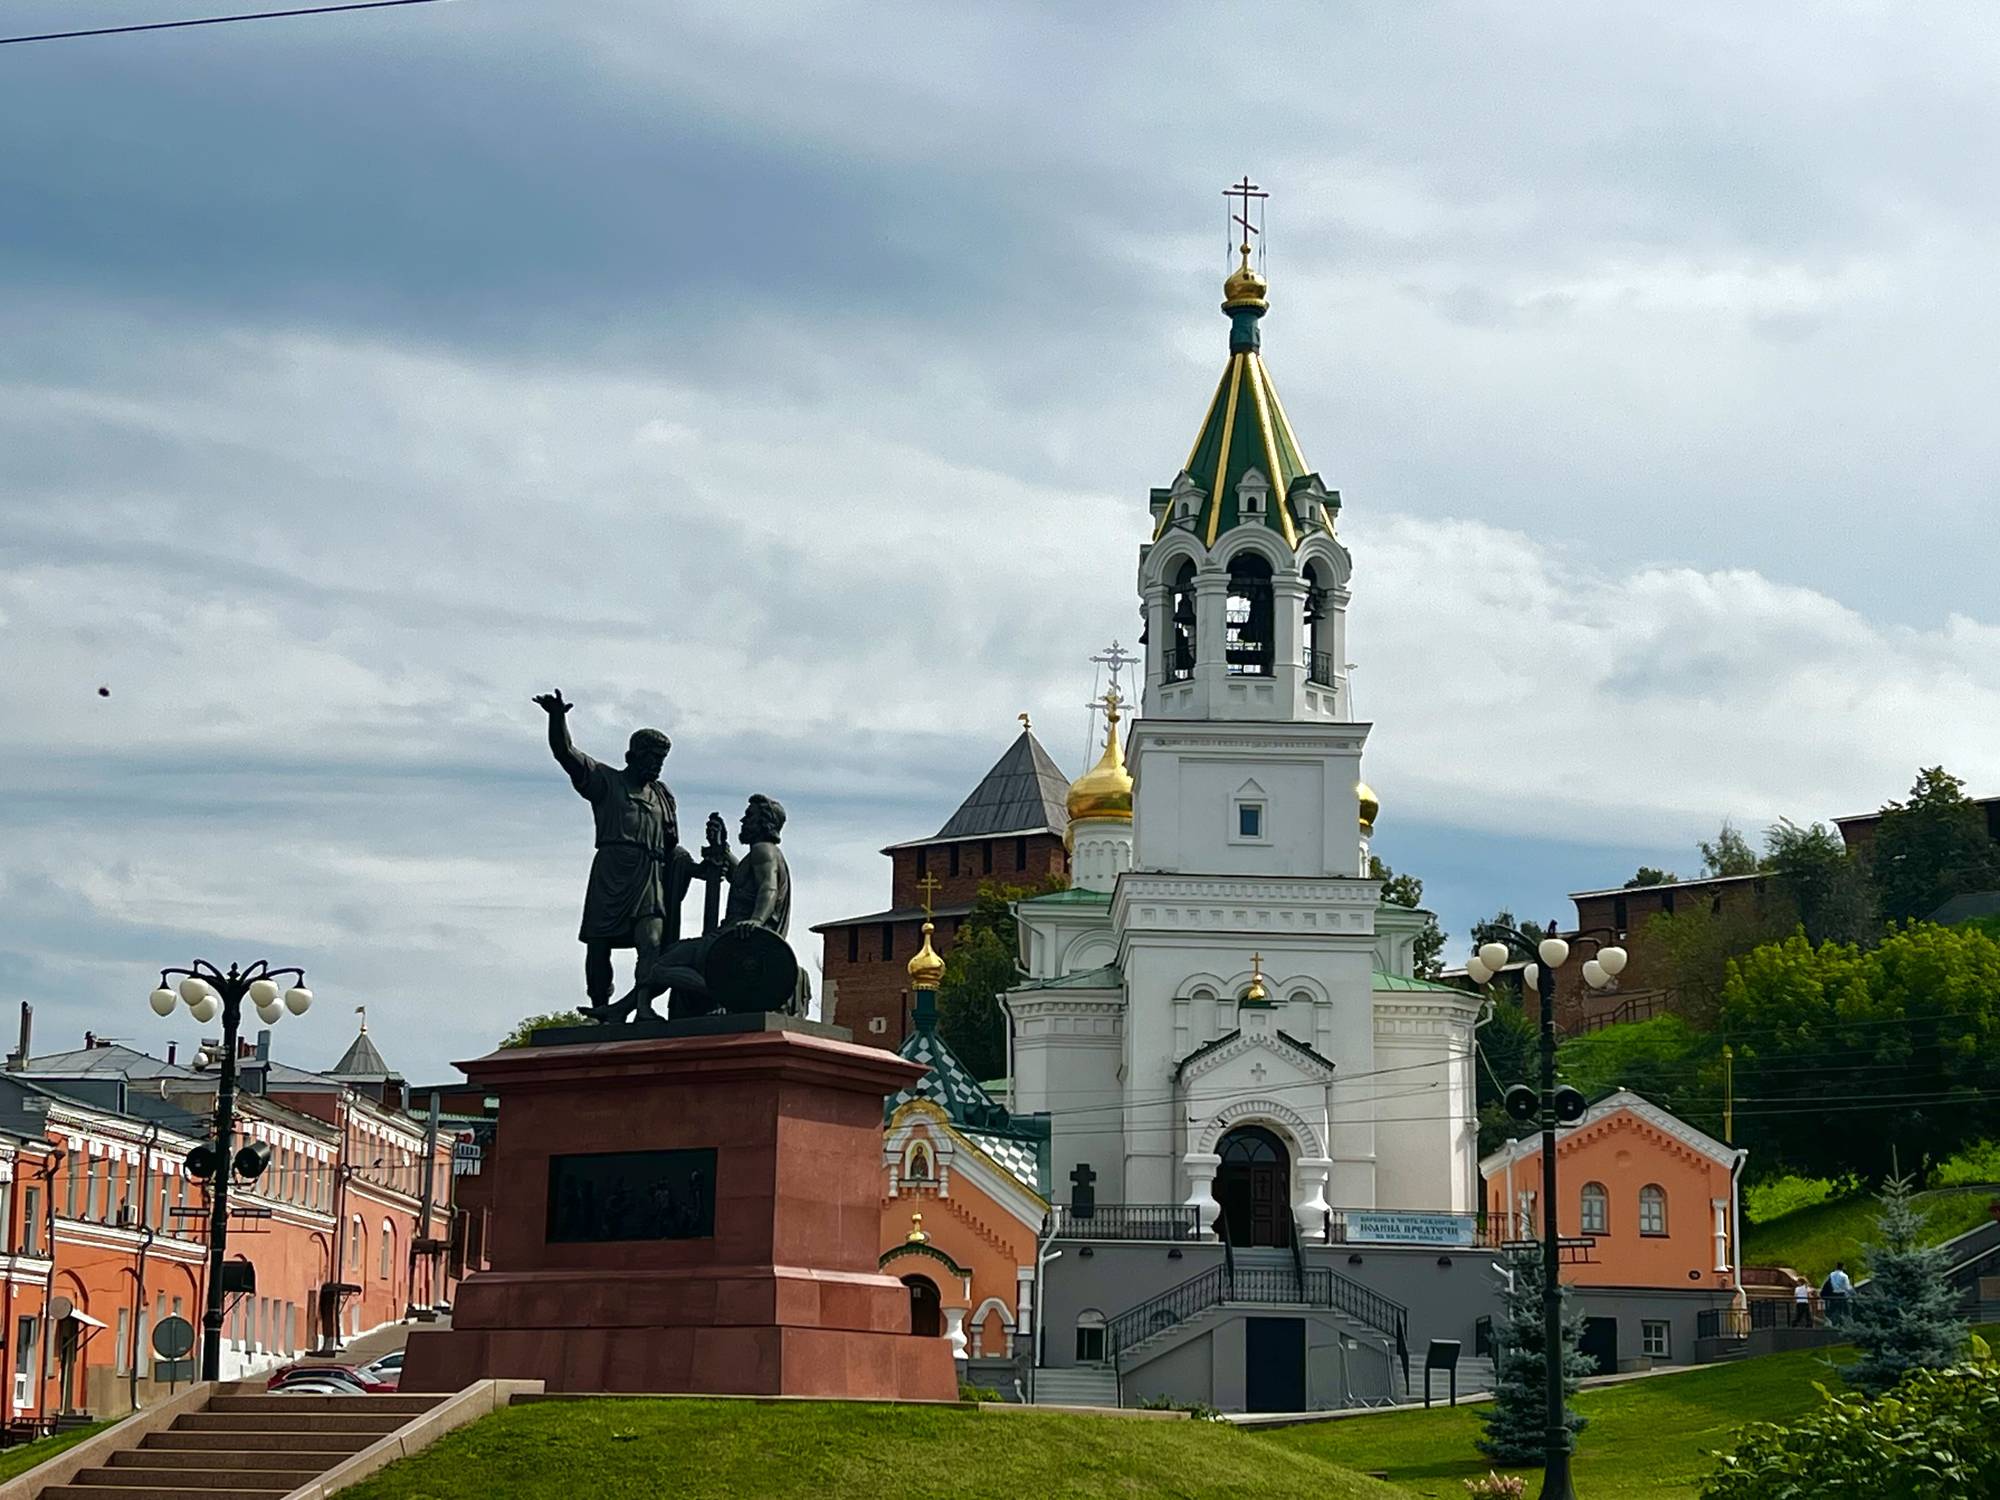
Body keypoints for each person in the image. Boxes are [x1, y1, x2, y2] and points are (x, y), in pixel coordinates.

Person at [533, 688, 710, 1019]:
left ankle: (642, 1007)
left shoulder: (663, 796)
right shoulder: (606, 782)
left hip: (650, 877)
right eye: (651, 758)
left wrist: (699, 868)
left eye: (661, 760)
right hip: (612, 873)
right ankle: (601, 1007)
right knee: (599, 946)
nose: (656, 766)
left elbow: (674, 849)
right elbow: (565, 753)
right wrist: (557, 718)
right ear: (632, 756)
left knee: (652, 944)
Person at [1824, 1261, 1853, 1327]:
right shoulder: (1844, 1276)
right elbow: (1847, 1287)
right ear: (1842, 1267)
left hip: (1833, 1294)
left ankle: (1831, 1322)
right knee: (1846, 1311)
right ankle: (1846, 1324)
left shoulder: (1831, 1274)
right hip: (1842, 1294)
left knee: (1832, 1309)